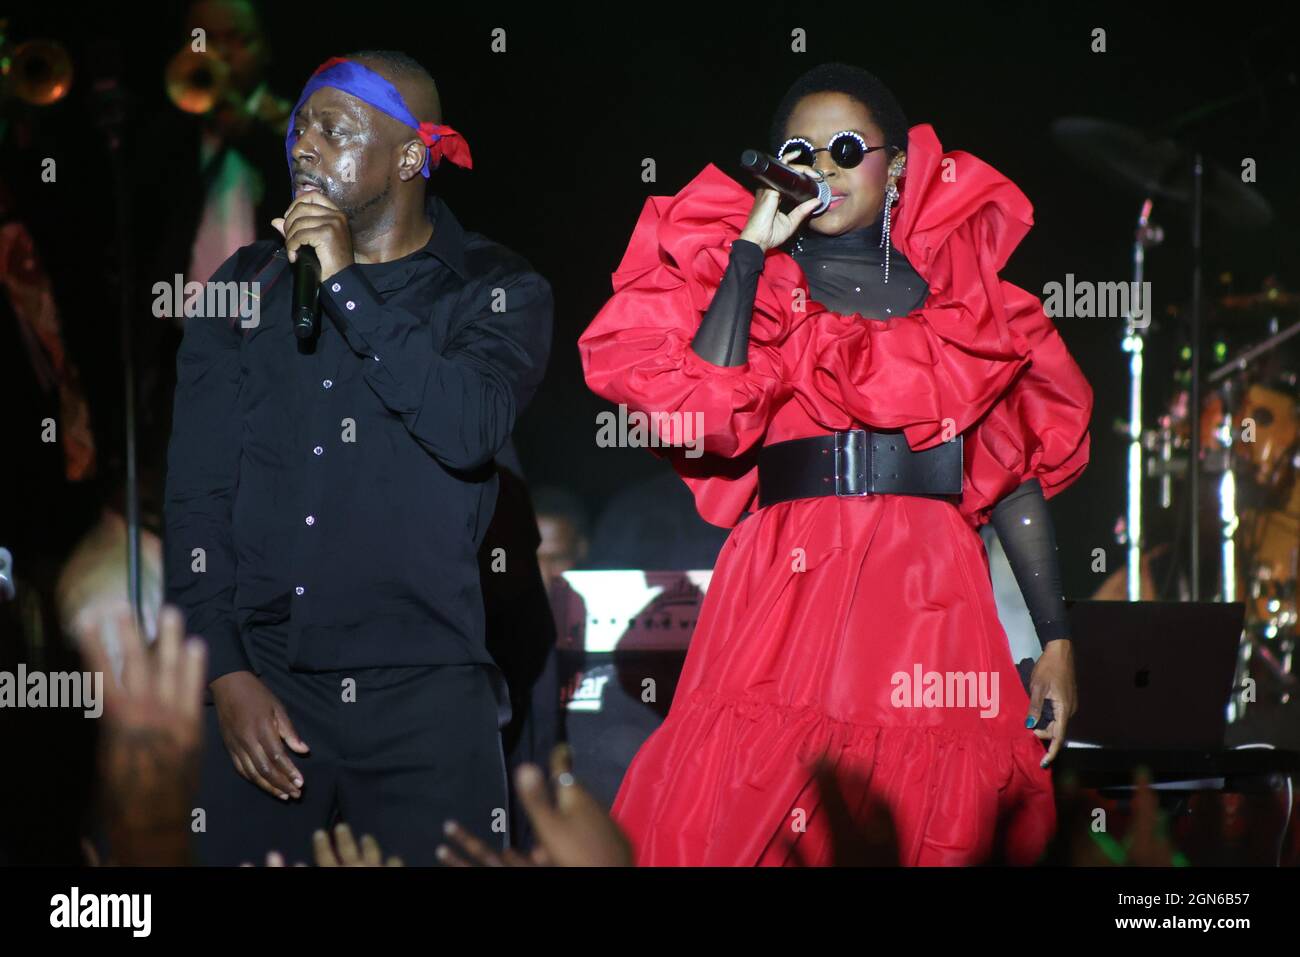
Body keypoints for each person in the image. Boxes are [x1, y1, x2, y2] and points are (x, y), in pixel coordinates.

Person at [579, 63, 1092, 866]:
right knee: (763, 795)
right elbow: (707, 409)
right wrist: (750, 249)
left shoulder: (960, 296)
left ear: (895, 169)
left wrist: (1055, 638)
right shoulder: (755, 279)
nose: (824, 166)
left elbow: (1011, 469)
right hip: (791, 587)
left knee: (929, 800)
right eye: (801, 149)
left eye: (848, 148)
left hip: (930, 588)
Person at [164, 50, 553, 865]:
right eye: (302, 125)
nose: (304, 146)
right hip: (266, 685)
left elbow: (468, 427)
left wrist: (345, 284)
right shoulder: (244, 291)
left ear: (411, 156)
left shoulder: (495, 287)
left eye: (334, 130)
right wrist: (225, 672)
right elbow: (197, 499)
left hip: (428, 693)